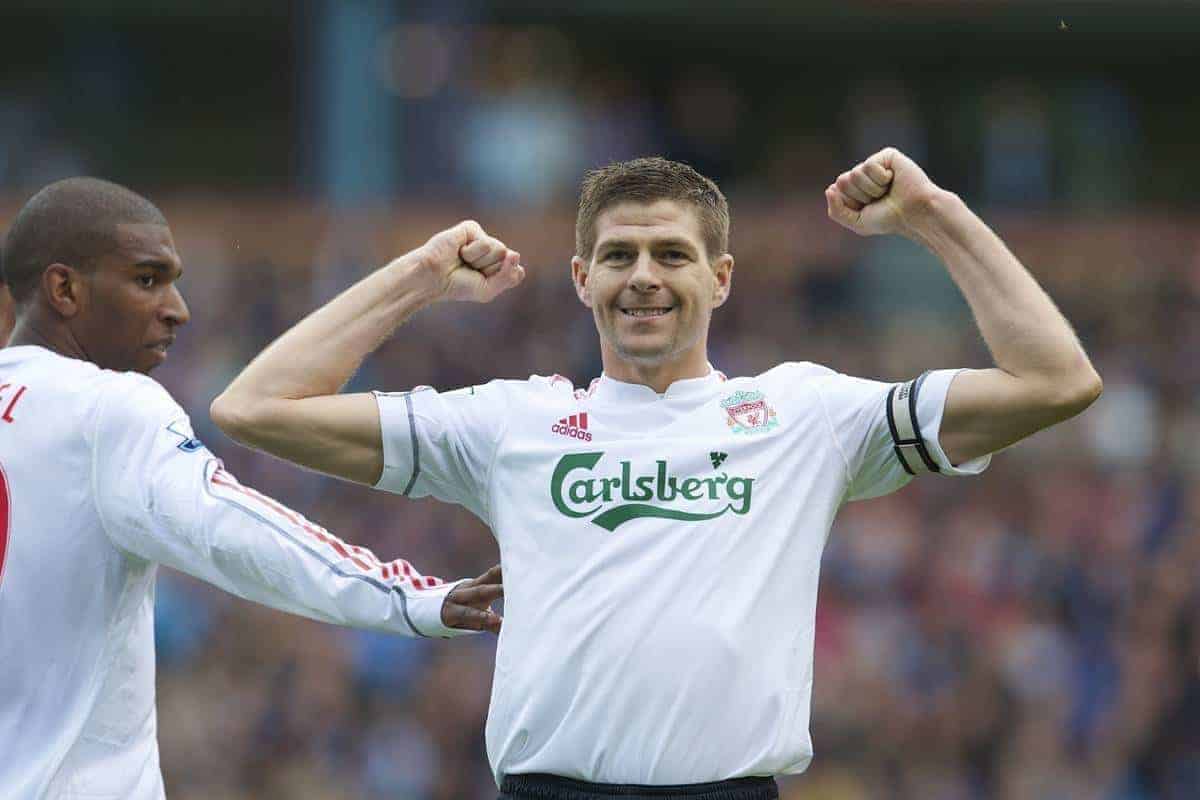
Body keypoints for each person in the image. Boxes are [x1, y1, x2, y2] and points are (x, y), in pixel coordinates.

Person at [212, 149, 1103, 800]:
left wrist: (934, 215)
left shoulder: (807, 416)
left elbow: (1056, 382)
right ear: (580, 278)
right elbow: (256, 408)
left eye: (672, 255)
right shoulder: (507, 422)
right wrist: (417, 276)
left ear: (719, 279)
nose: (644, 277)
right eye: (619, 256)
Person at [0, 177, 503, 800]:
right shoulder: (105, 410)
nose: (178, 308)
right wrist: (411, 595)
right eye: (147, 279)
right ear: (64, 288)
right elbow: (232, 533)